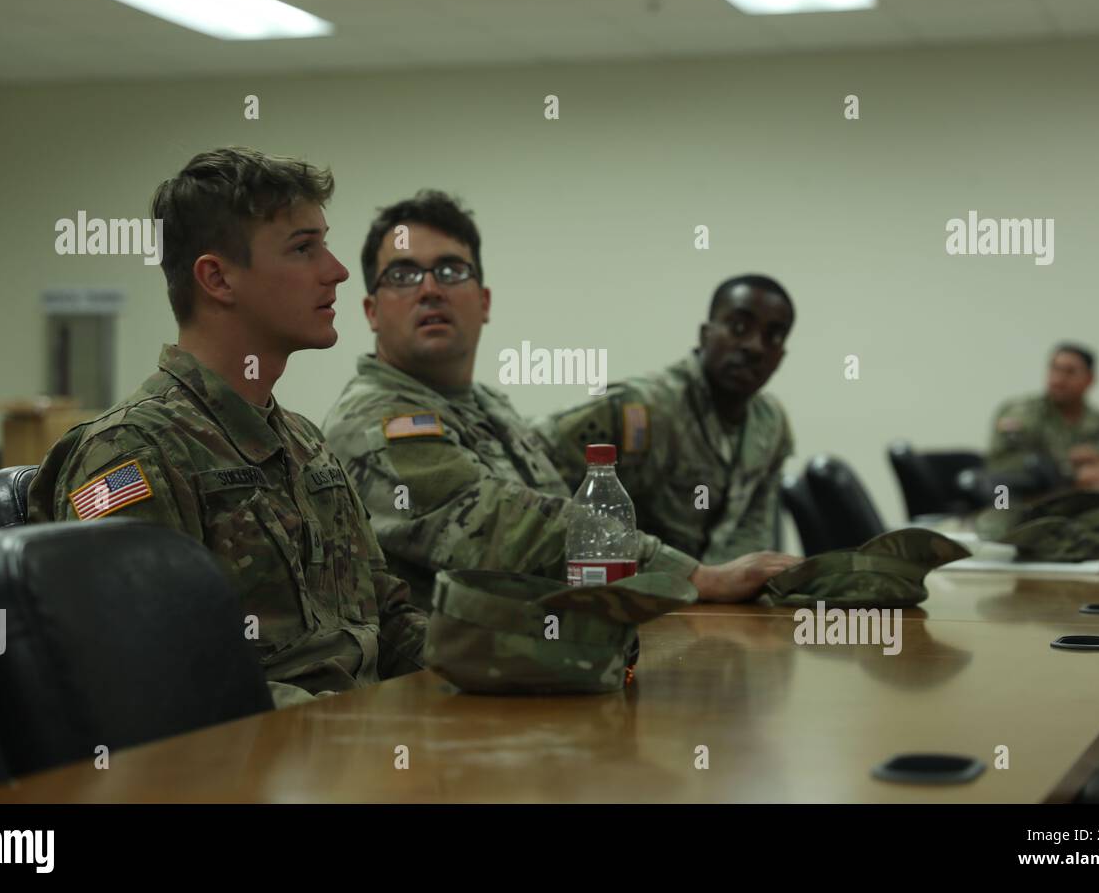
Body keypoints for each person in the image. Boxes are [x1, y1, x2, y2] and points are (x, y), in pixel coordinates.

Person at [26, 148, 425, 707]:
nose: (335, 271)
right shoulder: (129, 454)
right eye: (304, 248)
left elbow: (388, 621)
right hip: (256, 767)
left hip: (356, 743)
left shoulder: (305, 443)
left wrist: (508, 666)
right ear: (217, 278)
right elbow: (152, 680)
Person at [321, 190, 799, 609]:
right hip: (434, 690)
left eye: (450, 270)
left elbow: (554, 507)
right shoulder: (374, 417)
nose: (430, 289)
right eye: (403, 275)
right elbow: (500, 526)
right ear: (371, 311)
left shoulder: (489, 406)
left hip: (544, 666)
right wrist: (691, 575)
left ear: (484, 302)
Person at [539, 275, 795, 562]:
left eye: (773, 336)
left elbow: (752, 530)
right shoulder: (640, 408)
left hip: (707, 594)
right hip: (625, 585)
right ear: (705, 333)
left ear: (781, 355)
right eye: (738, 327)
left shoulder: (770, 424)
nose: (754, 347)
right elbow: (531, 462)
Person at [986, 343, 1099, 492]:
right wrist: (1068, 470)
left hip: (1088, 512)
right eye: (1054, 369)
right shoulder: (1020, 414)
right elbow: (999, 465)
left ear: (1090, 379)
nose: (1058, 379)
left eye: (1070, 372)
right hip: (1030, 512)